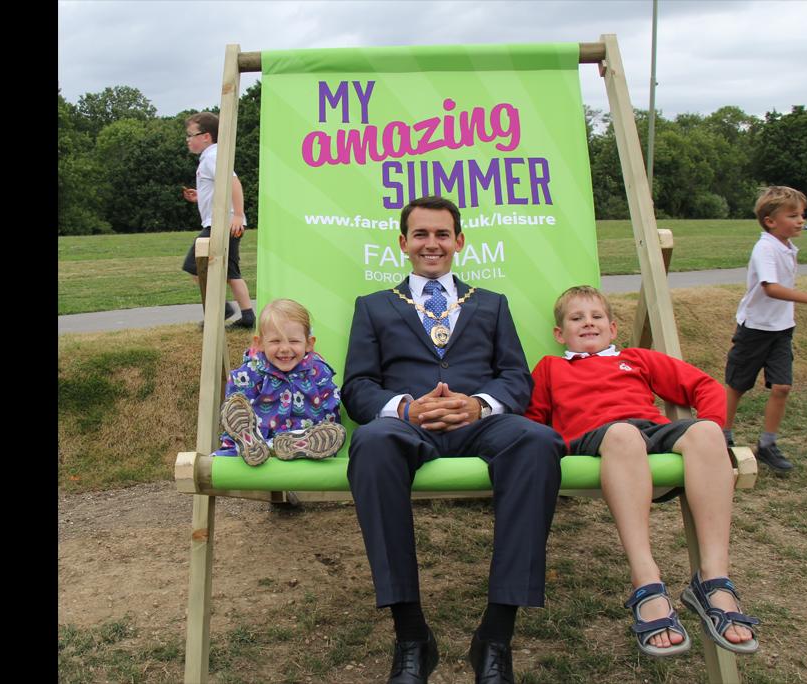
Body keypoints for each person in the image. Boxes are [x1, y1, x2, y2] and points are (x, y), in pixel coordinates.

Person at [342, 196, 566, 684]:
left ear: (459, 242)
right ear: (403, 244)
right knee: (372, 443)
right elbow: (357, 387)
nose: (432, 243)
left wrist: (479, 404)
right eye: (420, 234)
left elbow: (516, 378)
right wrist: (406, 407)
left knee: (539, 441)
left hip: (479, 422)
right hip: (408, 425)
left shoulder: (491, 303)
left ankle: (496, 636)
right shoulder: (374, 307)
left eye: (442, 234)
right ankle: (412, 637)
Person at [523, 285, 761, 658]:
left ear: (613, 328)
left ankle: (713, 578)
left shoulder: (636, 359)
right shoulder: (550, 367)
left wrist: (714, 428)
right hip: (594, 438)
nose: (588, 323)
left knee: (707, 433)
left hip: (651, 429)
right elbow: (532, 420)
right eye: (576, 318)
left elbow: (703, 386)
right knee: (622, 435)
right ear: (560, 334)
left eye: (597, 316)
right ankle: (646, 579)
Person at [723, 187, 807, 472]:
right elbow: (771, 288)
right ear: (770, 221)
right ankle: (723, 437)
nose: (801, 220)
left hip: (781, 330)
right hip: (755, 329)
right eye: (793, 215)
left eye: (801, 214)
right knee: (737, 386)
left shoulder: (787, 246)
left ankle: (767, 445)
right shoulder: (765, 247)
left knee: (783, 386)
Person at [215, 298, 345, 466]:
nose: (285, 348)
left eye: (294, 341)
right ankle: (253, 446)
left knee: (317, 438)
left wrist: (329, 440)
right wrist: (229, 445)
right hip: (258, 439)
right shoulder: (249, 374)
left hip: (305, 441)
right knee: (242, 437)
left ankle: (289, 448)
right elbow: (235, 413)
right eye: (276, 341)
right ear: (260, 343)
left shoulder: (318, 372)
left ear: (309, 343)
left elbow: (330, 412)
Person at [181, 111, 256, 329]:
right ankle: (248, 317)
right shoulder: (211, 157)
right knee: (232, 272)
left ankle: (221, 309)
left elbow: (234, 183)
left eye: (190, 134)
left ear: (206, 136)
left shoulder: (211, 157)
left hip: (222, 224)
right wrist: (200, 197)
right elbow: (219, 188)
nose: (188, 139)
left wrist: (238, 216)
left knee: (193, 266)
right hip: (226, 222)